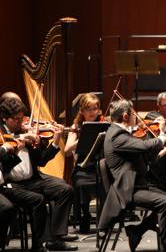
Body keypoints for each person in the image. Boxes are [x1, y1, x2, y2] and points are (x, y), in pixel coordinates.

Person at [97, 99, 166, 252]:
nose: (136, 117)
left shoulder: (121, 133)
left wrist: (164, 144)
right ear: (125, 116)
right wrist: (161, 138)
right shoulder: (116, 136)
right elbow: (143, 146)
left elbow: (145, 155)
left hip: (138, 185)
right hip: (128, 191)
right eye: (133, 114)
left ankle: (137, 231)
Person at [0, 97, 78, 251]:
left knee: (65, 189)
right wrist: (16, 147)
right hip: (11, 184)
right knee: (38, 200)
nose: (20, 123)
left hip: (32, 180)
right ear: (5, 118)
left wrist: (55, 142)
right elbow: (5, 165)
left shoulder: (26, 131)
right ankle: (39, 245)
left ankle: (55, 238)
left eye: (21, 118)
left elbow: (41, 161)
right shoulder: (2, 135)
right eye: (15, 119)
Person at [64, 93, 105, 234]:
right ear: (81, 111)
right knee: (81, 185)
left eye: (95, 109)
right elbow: (67, 151)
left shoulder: (103, 124)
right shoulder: (76, 126)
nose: (93, 112)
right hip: (83, 168)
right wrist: (82, 137)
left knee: (109, 182)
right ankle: (85, 216)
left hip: (100, 167)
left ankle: (106, 219)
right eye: (88, 109)